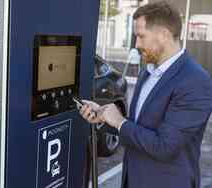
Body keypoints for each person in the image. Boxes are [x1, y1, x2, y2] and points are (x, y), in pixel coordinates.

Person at [79, 1, 212, 188]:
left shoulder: (196, 81)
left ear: (164, 35)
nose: (136, 44)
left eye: (141, 36)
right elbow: (139, 127)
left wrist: (119, 121)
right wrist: (103, 117)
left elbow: (164, 146)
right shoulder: (147, 70)